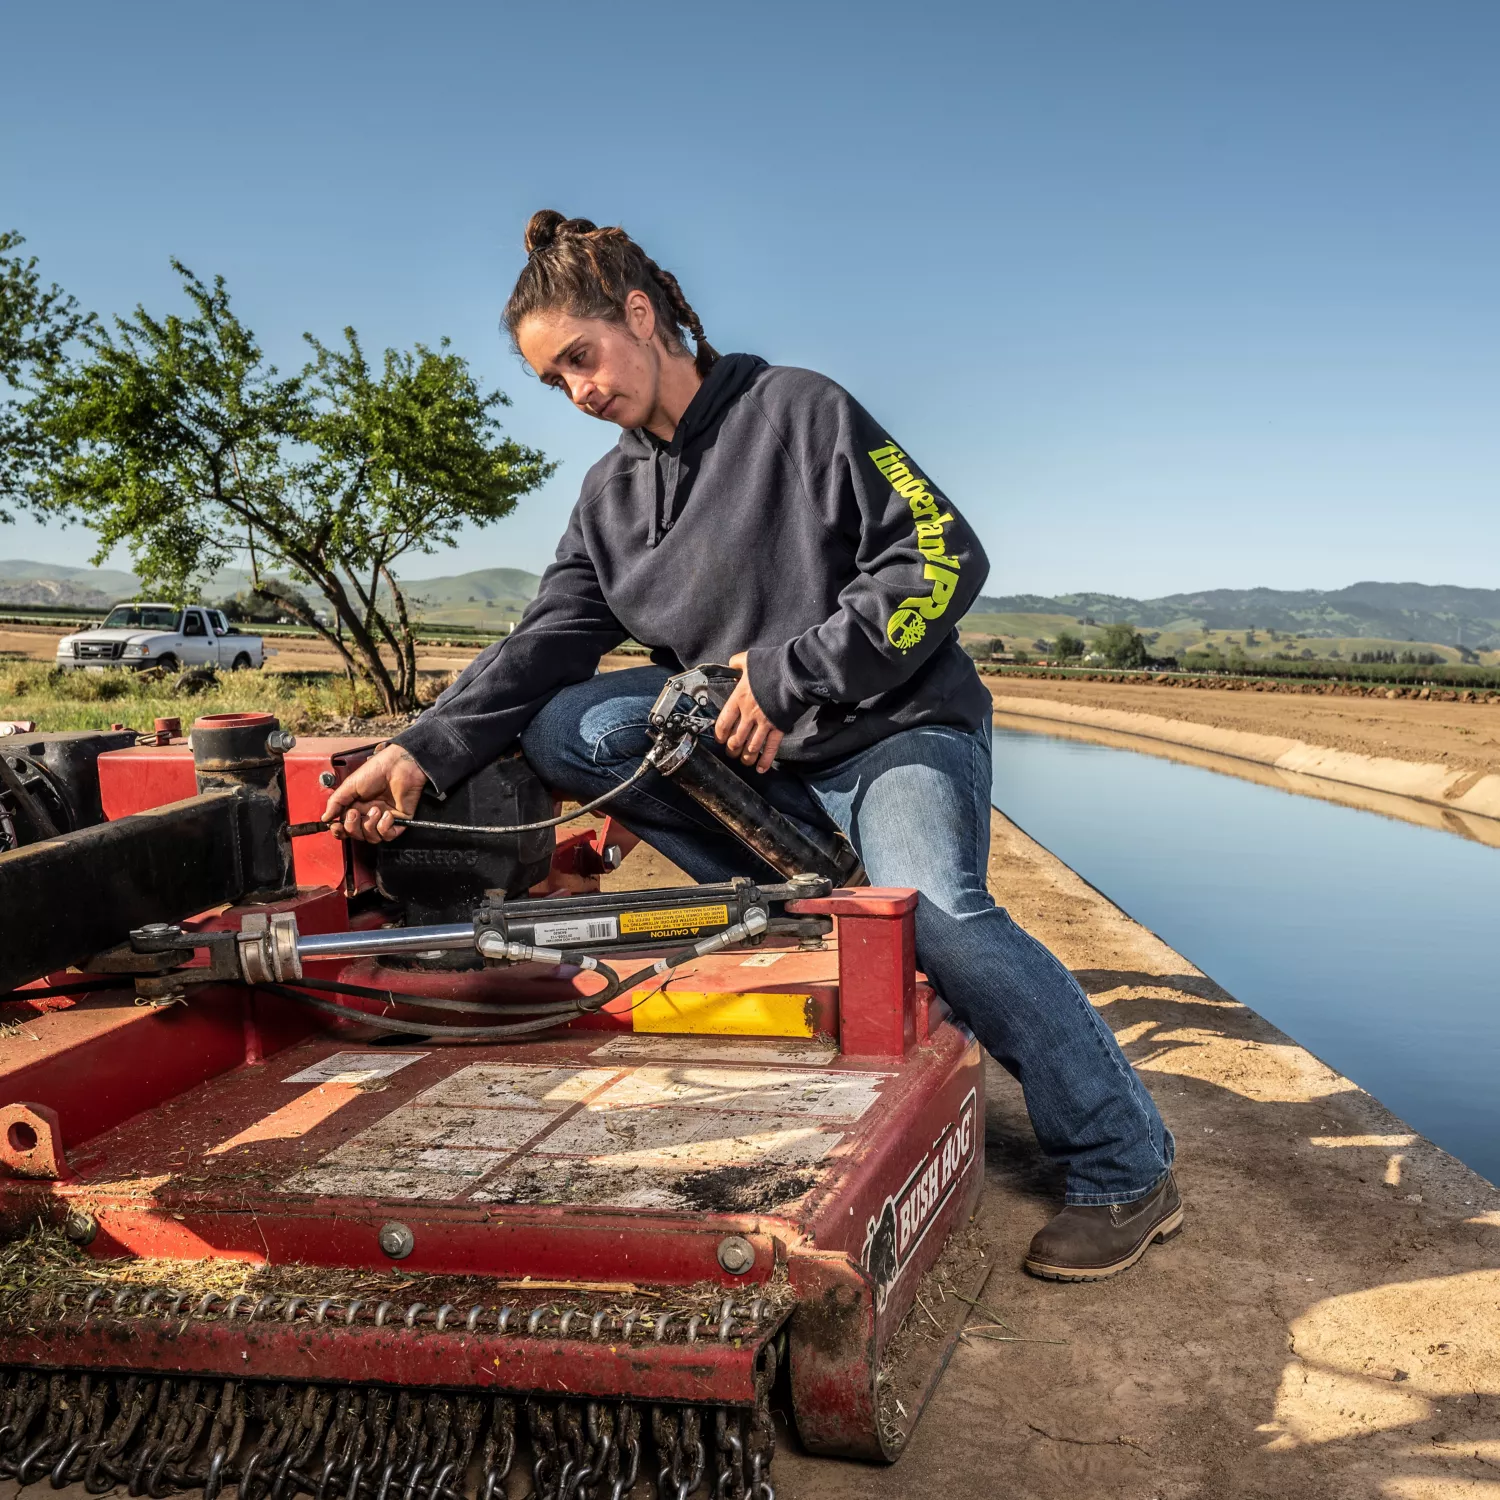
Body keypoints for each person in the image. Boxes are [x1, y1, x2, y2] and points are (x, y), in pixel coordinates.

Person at [323, 211, 1181, 1280]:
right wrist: (420, 750)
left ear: (642, 316)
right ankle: (793, 891)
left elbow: (945, 560)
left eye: (582, 359)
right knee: (568, 726)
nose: (579, 393)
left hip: (893, 733)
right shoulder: (611, 498)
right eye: (556, 382)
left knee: (943, 921)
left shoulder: (801, 411)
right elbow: (548, 640)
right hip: (759, 772)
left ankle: (1126, 1163)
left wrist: (785, 675)